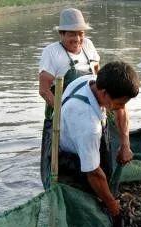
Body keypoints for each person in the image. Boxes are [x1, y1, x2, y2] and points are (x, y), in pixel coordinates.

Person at [39, 8, 133, 189]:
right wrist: (62, 112)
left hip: (93, 112)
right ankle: (65, 191)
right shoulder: (52, 53)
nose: (77, 39)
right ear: (61, 34)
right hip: (62, 119)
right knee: (67, 163)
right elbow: (44, 90)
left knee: (97, 154)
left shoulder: (88, 46)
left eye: (80, 34)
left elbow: (100, 77)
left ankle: (100, 187)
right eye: (71, 35)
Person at [56, 61, 140, 218]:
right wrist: (113, 205)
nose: (122, 107)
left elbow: (122, 110)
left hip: (84, 131)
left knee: (103, 175)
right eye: (119, 102)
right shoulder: (88, 124)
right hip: (69, 155)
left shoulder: (93, 81)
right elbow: (93, 172)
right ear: (104, 94)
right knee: (88, 199)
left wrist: (125, 144)